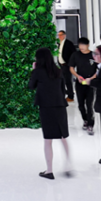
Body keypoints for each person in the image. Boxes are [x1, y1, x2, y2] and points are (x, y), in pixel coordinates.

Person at [29, 47, 72, 180]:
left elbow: (31, 86)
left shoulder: (38, 72)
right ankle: (68, 166)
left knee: (48, 140)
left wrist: (33, 70)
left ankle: (49, 170)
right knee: (63, 137)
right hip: (60, 106)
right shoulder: (58, 71)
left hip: (46, 108)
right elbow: (63, 89)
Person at [69, 37, 96, 134]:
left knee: (89, 104)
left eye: (83, 45)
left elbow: (98, 69)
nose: (81, 47)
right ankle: (85, 120)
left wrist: (91, 78)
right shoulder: (75, 55)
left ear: (88, 45)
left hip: (90, 83)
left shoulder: (93, 55)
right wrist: (77, 76)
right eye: (80, 45)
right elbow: (71, 68)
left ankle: (90, 124)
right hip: (80, 83)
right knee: (81, 105)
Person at [57, 30, 76, 102]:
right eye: (58, 35)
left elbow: (74, 53)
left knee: (68, 81)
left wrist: (71, 64)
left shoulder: (69, 43)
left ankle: (70, 96)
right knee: (62, 80)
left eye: (61, 35)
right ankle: (65, 93)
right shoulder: (59, 43)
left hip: (67, 65)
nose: (59, 36)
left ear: (64, 35)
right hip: (61, 65)